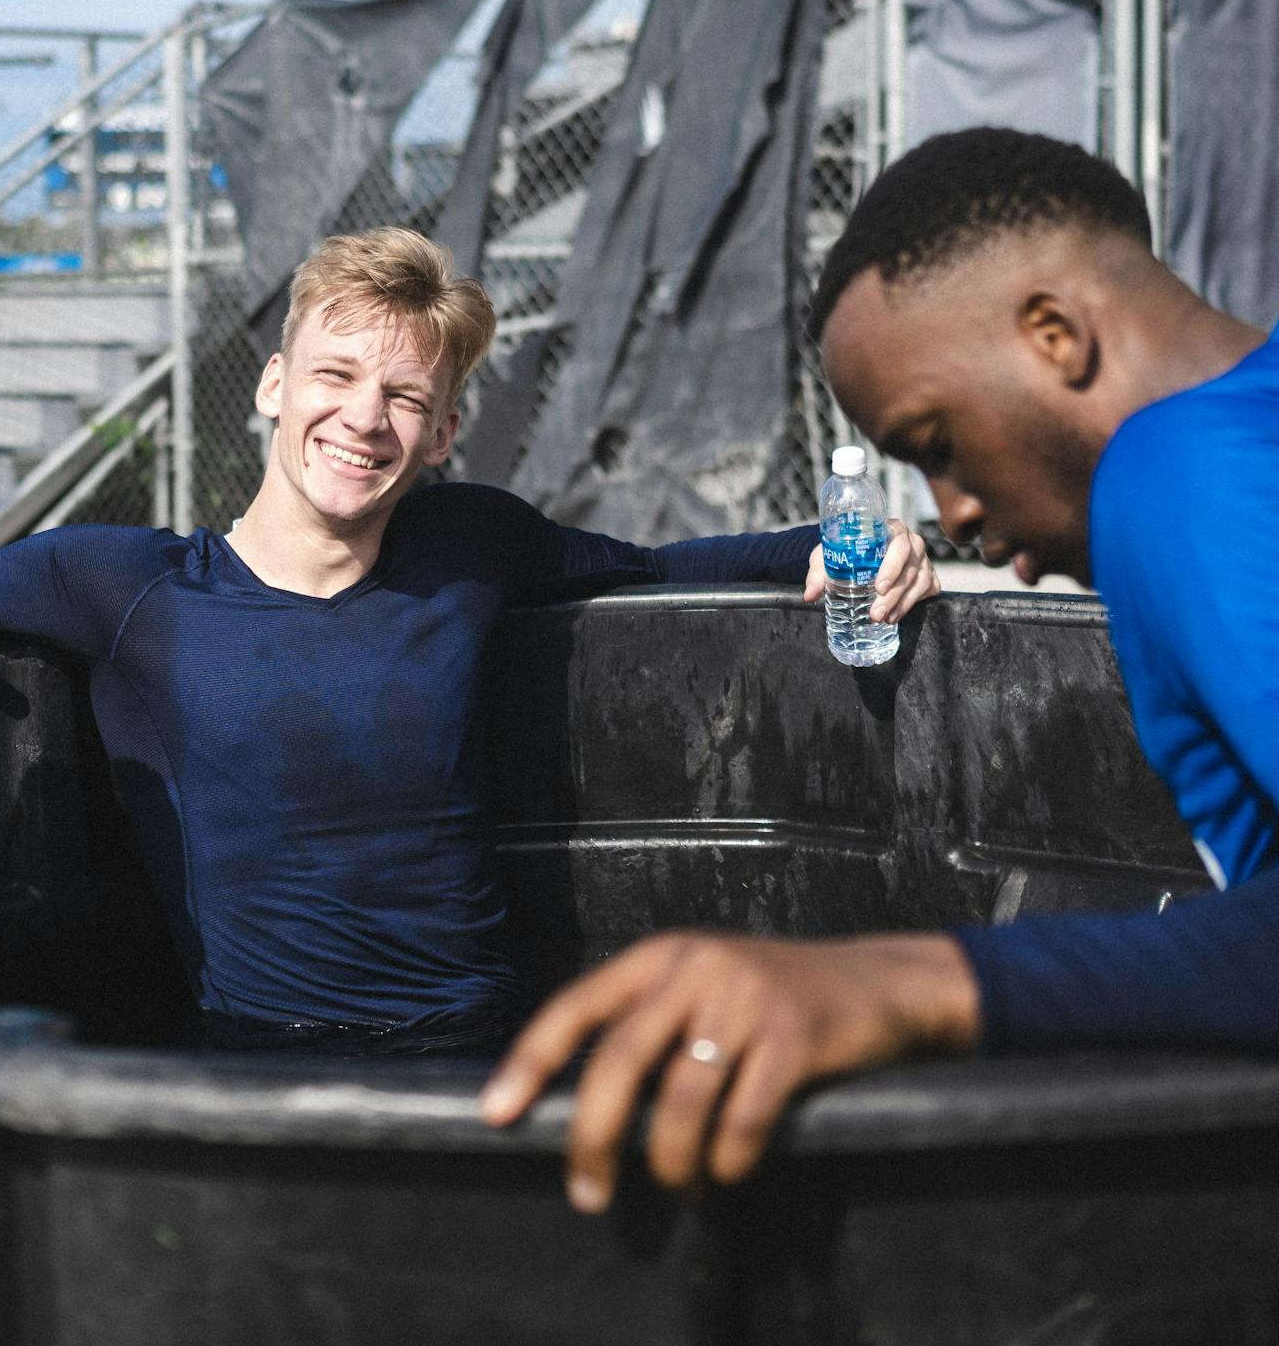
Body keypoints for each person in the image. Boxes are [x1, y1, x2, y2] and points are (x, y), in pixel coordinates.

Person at [0, 228, 939, 1053]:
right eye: (334, 375)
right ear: (275, 386)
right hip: (252, 1053)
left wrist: (857, 539)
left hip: (478, 1046)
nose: (361, 416)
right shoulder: (122, 584)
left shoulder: (472, 543)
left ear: (441, 431)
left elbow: (657, 566)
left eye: (402, 395)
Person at [482, 126, 1279, 1207]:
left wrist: (907, 981)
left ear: (1053, 333)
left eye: (936, 440)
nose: (950, 511)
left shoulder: (1170, 468)